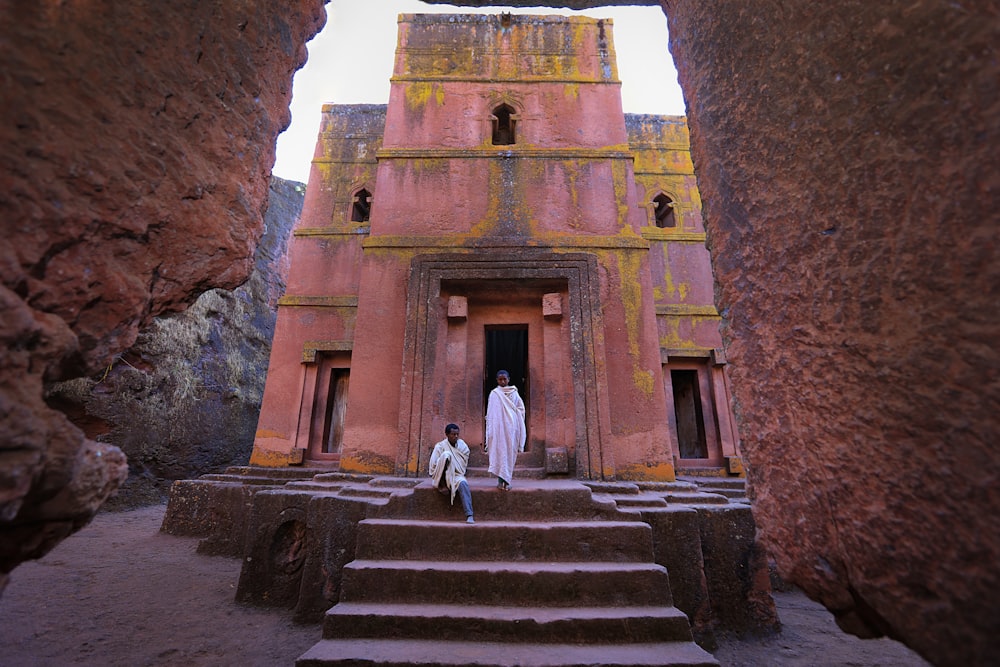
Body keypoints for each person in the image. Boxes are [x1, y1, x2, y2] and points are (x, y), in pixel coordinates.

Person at [484, 369, 526, 491]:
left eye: (504, 379)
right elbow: (491, 413)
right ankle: (500, 480)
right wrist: (491, 430)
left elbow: (521, 408)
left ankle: (507, 480)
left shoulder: (514, 392)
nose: (502, 381)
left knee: (509, 454)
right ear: (497, 380)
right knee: (500, 452)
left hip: (511, 428)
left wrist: (514, 415)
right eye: (500, 379)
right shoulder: (494, 394)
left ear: (508, 379)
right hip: (498, 429)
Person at [429, 423, 475, 524]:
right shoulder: (440, 446)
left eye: (457, 434)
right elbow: (433, 466)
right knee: (446, 454)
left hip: (456, 475)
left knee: (463, 484)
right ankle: (442, 485)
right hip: (442, 476)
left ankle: (469, 515)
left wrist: (453, 468)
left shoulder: (462, 446)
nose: (456, 436)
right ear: (447, 434)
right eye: (453, 434)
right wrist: (444, 463)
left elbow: (463, 463)